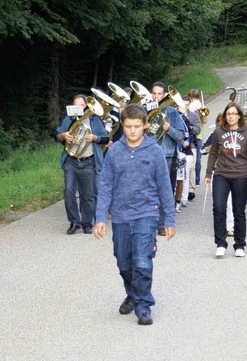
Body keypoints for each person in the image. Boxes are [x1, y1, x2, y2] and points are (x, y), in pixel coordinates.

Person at [93, 104, 176, 326]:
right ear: (122, 125)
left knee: (142, 260)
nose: (132, 131)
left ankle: (143, 306)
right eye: (128, 126)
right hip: (120, 215)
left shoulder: (155, 151)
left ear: (145, 125)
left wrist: (169, 219)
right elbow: (106, 185)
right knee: (123, 262)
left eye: (137, 126)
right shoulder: (114, 151)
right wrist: (100, 217)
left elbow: (165, 187)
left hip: (146, 213)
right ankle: (132, 292)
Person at [205, 102, 247, 258]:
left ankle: (239, 245)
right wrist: (208, 174)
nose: (231, 116)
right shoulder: (218, 133)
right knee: (219, 208)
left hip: (241, 175)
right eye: (228, 114)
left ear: (239, 116)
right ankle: (220, 243)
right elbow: (213, 153)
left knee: (238, 211)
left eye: (234, 114)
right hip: (221, 174)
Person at [56, 94, 109, 235]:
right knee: (68, 191)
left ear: (86, 106)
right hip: (71, 161)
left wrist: (95, 137)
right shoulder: (69, 119)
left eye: (81, 105)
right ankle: (74, 222)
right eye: (75, 105)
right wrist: (64, 136)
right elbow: (58, 135)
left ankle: (86, 223)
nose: (78, 108)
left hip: (88, 161)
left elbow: (106, 138)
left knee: (88, 195)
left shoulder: (94, 120)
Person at [149, 82, 186, 236]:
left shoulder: (172, 113)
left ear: (165, 95)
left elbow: (181, 136)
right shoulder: (146, 111)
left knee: (165, 190)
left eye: (159, 94)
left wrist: (169, 129)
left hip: (166, 155)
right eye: (154, 93)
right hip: (148, 154)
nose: (156, 96)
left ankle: (163, 224)